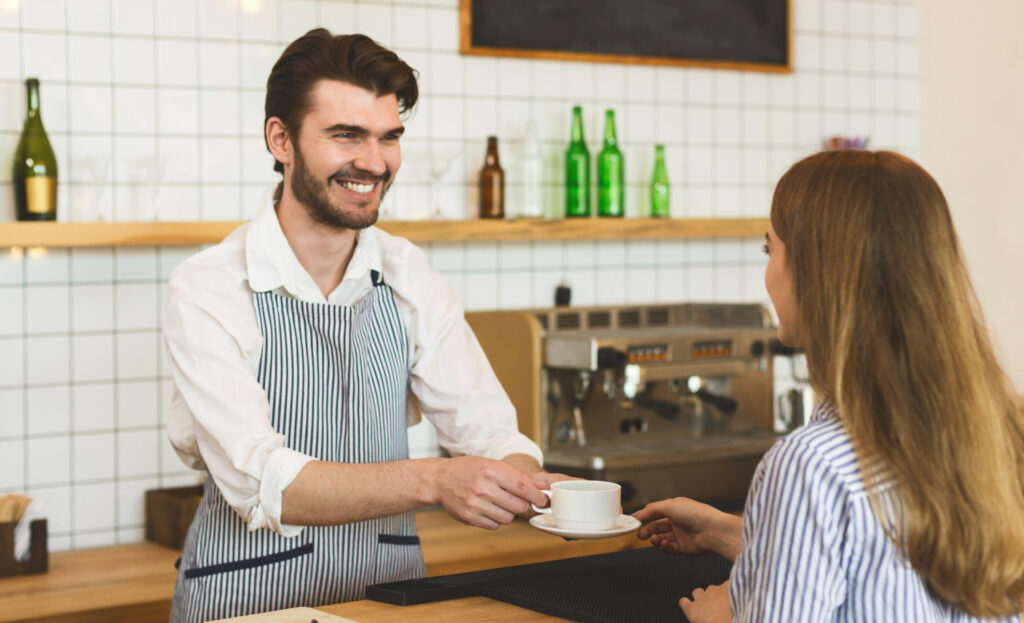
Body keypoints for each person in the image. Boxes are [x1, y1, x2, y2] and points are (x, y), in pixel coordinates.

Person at [162, 30, 565, 622]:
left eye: (389, 137)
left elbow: (488, 433)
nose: (374, 163)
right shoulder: (210, 287)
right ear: (282, 140)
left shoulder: (408, 275)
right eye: (346, 135)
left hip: (387, 603)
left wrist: (527, 485)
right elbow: (266, 481)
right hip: (245, 604)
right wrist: (435, 481)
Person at [634, 150, 1024, 622]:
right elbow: (888, 566)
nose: (768, 274)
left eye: (769, 249)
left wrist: (724, 618)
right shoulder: (997, 430)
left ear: (815, 272)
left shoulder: (810, 465)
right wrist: (735, 534)